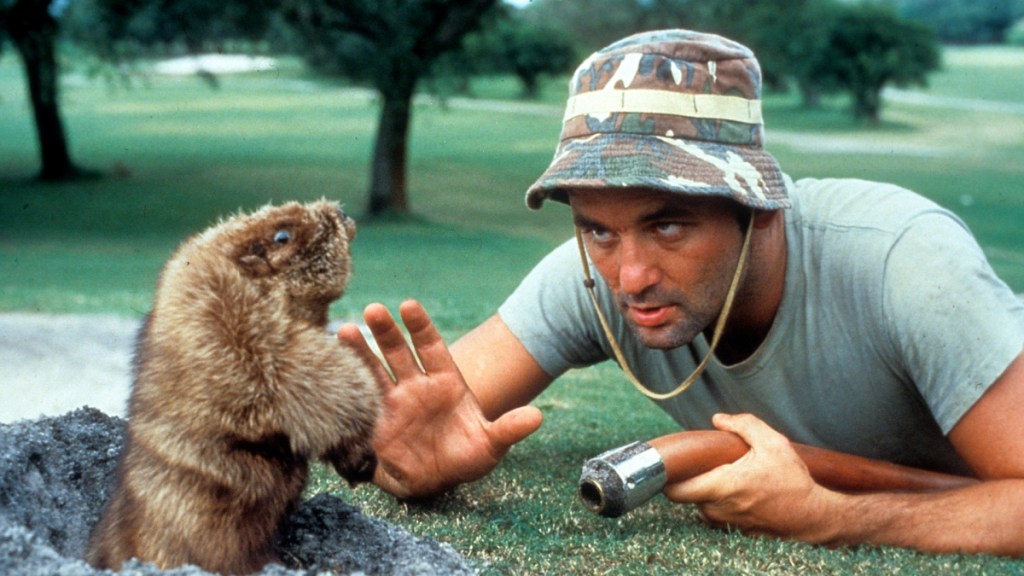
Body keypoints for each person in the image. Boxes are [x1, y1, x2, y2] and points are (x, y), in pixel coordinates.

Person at [337, 29, 1024, 556]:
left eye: (668, 224)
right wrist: (400, 463)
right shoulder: (595, 271)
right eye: (597, 230)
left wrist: (835, 518)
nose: (629, 276)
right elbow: (435, 417)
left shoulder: (906, 264)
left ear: (759, 207)